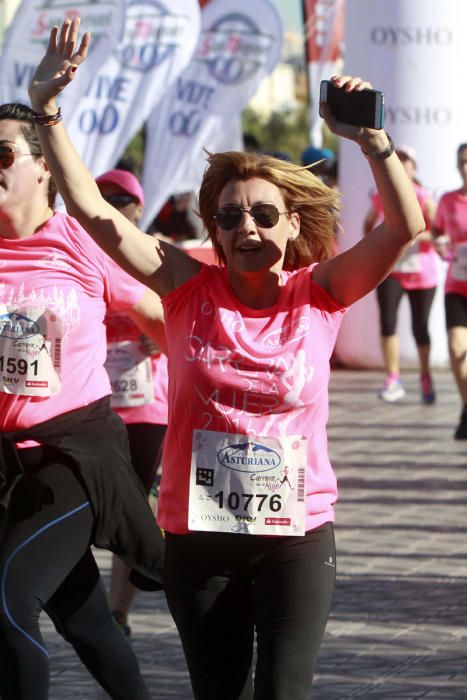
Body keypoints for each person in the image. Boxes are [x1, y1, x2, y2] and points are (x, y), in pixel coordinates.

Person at [28, 20, 425, 700]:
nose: (248, 228)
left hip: (295, 537)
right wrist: (47, 110)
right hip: (197, 537)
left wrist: (372, 142)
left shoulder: (320, 294)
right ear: (212, 227)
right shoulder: (184, 287)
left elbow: (404, 228)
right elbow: (94, 215)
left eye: (264, 215)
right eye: (231, 216)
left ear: (293, 223)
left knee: (281, 692)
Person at [0, 101, 167, 699]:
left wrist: (208, 404)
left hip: (72, 456)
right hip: (5, 468)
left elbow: (162, 318)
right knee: (88, 623)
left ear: (44, 169)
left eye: (3, 155)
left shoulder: (82, 241)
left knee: (9, 602)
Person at [96, 167, 169, 637]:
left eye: (121, 202)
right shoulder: (77, 251)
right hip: (92, 403)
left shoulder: (158, 254)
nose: (112, 209)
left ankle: (117, 611)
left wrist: (162, 337)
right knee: (93, 509)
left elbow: (186, 310)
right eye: (103, 200)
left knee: (135, 508)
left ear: (138, 208)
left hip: (148, 403)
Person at [363, 144, 438, 403]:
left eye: (407, 161)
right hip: (391, 269)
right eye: (399, 159)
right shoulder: (382, 194)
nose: (403, 164)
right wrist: (376, 245)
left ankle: (425, 375)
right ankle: (393, 378)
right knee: (388, 322)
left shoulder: (424, 195)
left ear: (414, 168)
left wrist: (414, 236)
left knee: (420, 327)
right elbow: (368, 223)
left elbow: (437, 232)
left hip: (422, 271)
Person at [432, 143, 467, 439]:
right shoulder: (448, 200)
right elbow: (437, 231)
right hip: (457, 285)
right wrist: (441, 245)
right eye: (463, 162)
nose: (466, 167)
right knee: (457, 349)